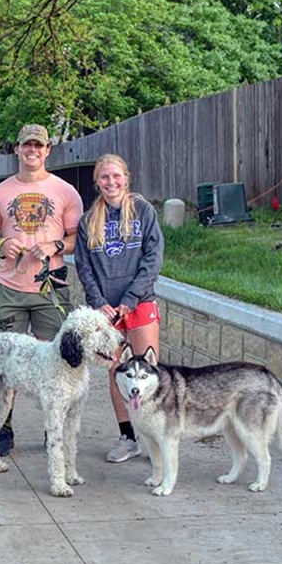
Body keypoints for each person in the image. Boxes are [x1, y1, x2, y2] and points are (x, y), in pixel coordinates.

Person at [0, 123, 83, 457]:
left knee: (59, 361)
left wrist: (54, 244)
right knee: (7, 362)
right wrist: (1, 245)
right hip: (10, 288)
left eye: (39, 145)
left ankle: (55, 431)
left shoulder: (66, 192)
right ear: (17, 150)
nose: (32, 150)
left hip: (51, 288)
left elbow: (77, 237)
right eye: (27, 145)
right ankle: (3, 427)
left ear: (48, 150)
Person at [74, 153, 164, 463]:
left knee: (147, 372)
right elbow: (84, 267)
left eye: (116, 176)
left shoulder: (143, 211)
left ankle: (154, 439)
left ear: (126, 178)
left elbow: (153, 259)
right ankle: (128, 438)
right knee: (118, 373)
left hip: (138, 304)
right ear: (97, 183)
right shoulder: (88, 221)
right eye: (104, 177)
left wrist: (130, 299)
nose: (111, 182)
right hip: (107, 312)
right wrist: (100, 304)